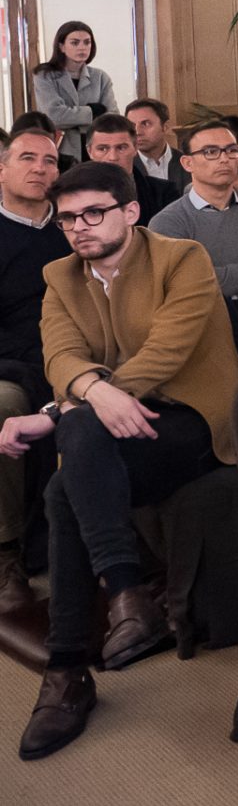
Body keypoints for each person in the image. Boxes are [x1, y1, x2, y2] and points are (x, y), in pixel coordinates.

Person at [6, 163, 238, 760]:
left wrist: (84, 400)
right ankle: (98, 628)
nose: (79, 229)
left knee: (75, 443)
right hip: (110, 427)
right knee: (65, 486)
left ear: (130, 212)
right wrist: (88, 396)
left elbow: (168, 351)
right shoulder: (60, 276)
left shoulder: (182, 258)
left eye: (93, 213)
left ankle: (75, 666)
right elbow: (58, 354)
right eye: (67, 219)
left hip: (194, 419)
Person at [0, 128, 66, 611]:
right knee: (8, 403)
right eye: (27, 158)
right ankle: (7, 549)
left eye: (50, 160)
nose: (40, 168)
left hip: (73, 353)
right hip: (8, 360)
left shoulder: (74, 228)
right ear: (2, 168)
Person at [149, 118, 238, 304]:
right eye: (211, 152)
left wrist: (220, 275)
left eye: (231, 150)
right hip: (200, 322)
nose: (224, 159)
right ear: (188, 163)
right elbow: (188, 283)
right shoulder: (167, 222)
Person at [30, 19, 116, 162]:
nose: (82, 47)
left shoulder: (100, 77)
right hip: (61, 150)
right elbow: (54, 116)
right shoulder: (45, 75)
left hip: (96, 148)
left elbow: (111, 117)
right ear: (62, 46)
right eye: (75, 43)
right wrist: (92, 112)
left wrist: (72, 115)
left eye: (87, 42)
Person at [84, 114, 176, 228]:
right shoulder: (71, 196)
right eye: (103, 149)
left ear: (136, 148)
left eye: (121, 148)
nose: (112, 157)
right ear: (89, 152)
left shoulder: (163, 193)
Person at [124, 97, 187, 192]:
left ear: (165, 127)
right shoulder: (125, 166)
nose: (137, 132)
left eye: (145, 124)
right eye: (132, 126)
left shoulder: (187, 162)